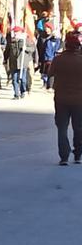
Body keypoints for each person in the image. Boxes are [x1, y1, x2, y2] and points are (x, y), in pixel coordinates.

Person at [50, 32, 82, 165]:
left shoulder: (58, 59)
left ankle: (64, 156)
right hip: (79, 100)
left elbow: (50, 73)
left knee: (62, 128)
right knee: (79, 127)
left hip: (61, 99)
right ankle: (78, 154)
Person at [6, 27, 31, 99]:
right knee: (14, 79)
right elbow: (7, 51)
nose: (15, 34)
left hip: (22, 63)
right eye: (15, 32)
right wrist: (5, 59)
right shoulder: (11, 41)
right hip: (13, 63)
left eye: (17, 32)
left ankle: (23, 91)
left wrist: (26, 49)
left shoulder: (26, 40)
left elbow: (32, 49)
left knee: (23, 79)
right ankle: (16, 94)